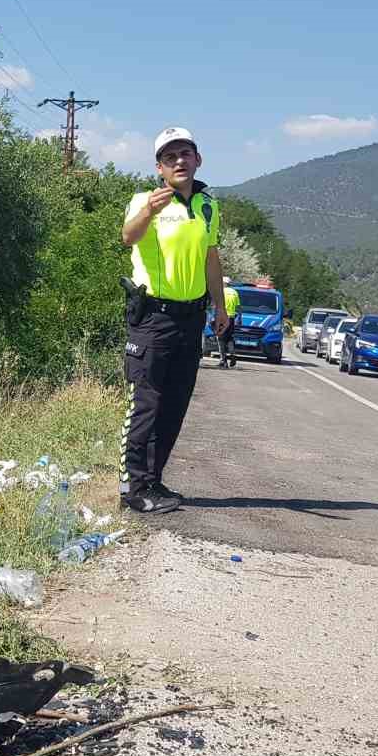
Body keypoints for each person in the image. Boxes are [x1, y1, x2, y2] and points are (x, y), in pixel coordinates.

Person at [118, 127, 229, 514]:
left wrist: (220, 307)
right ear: (159, 168)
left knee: (174, 405)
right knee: (146, 404)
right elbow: (127, 237)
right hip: (152, 318)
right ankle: (132, 489)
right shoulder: (142, 200)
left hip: (191, 318)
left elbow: (210, 257)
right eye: (170, 157)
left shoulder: (208, 205)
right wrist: (149, 210)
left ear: (198, 159)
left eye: (185, 153)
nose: (179, 161)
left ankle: (154, 481)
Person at [217, 280, 239, 368]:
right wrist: (239, 317)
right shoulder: (234, 292)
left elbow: (216, 305)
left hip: (222, 318)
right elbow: (238, 306)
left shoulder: (221, 291)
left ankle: (223, 361)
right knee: (229, 338)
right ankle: (233, 355)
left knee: (221, 339)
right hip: (231, 318)